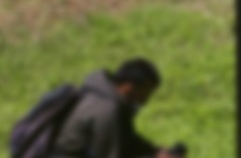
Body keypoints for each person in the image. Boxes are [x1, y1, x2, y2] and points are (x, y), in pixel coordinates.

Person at [49, 58, 185, 158]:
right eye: (145, 93)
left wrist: (155, 152)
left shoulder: (103, 97)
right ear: (129, 87)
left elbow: (126, 139)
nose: (145, 101)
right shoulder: (107, 110)